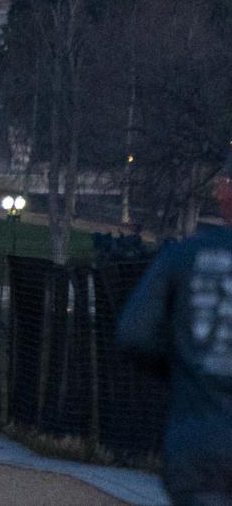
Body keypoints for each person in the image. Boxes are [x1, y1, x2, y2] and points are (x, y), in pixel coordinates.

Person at [118, 153, 232, 506]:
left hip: (200, 444)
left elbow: (135, 334)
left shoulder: (185, 257)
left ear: (223, 193)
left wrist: (184, 365)